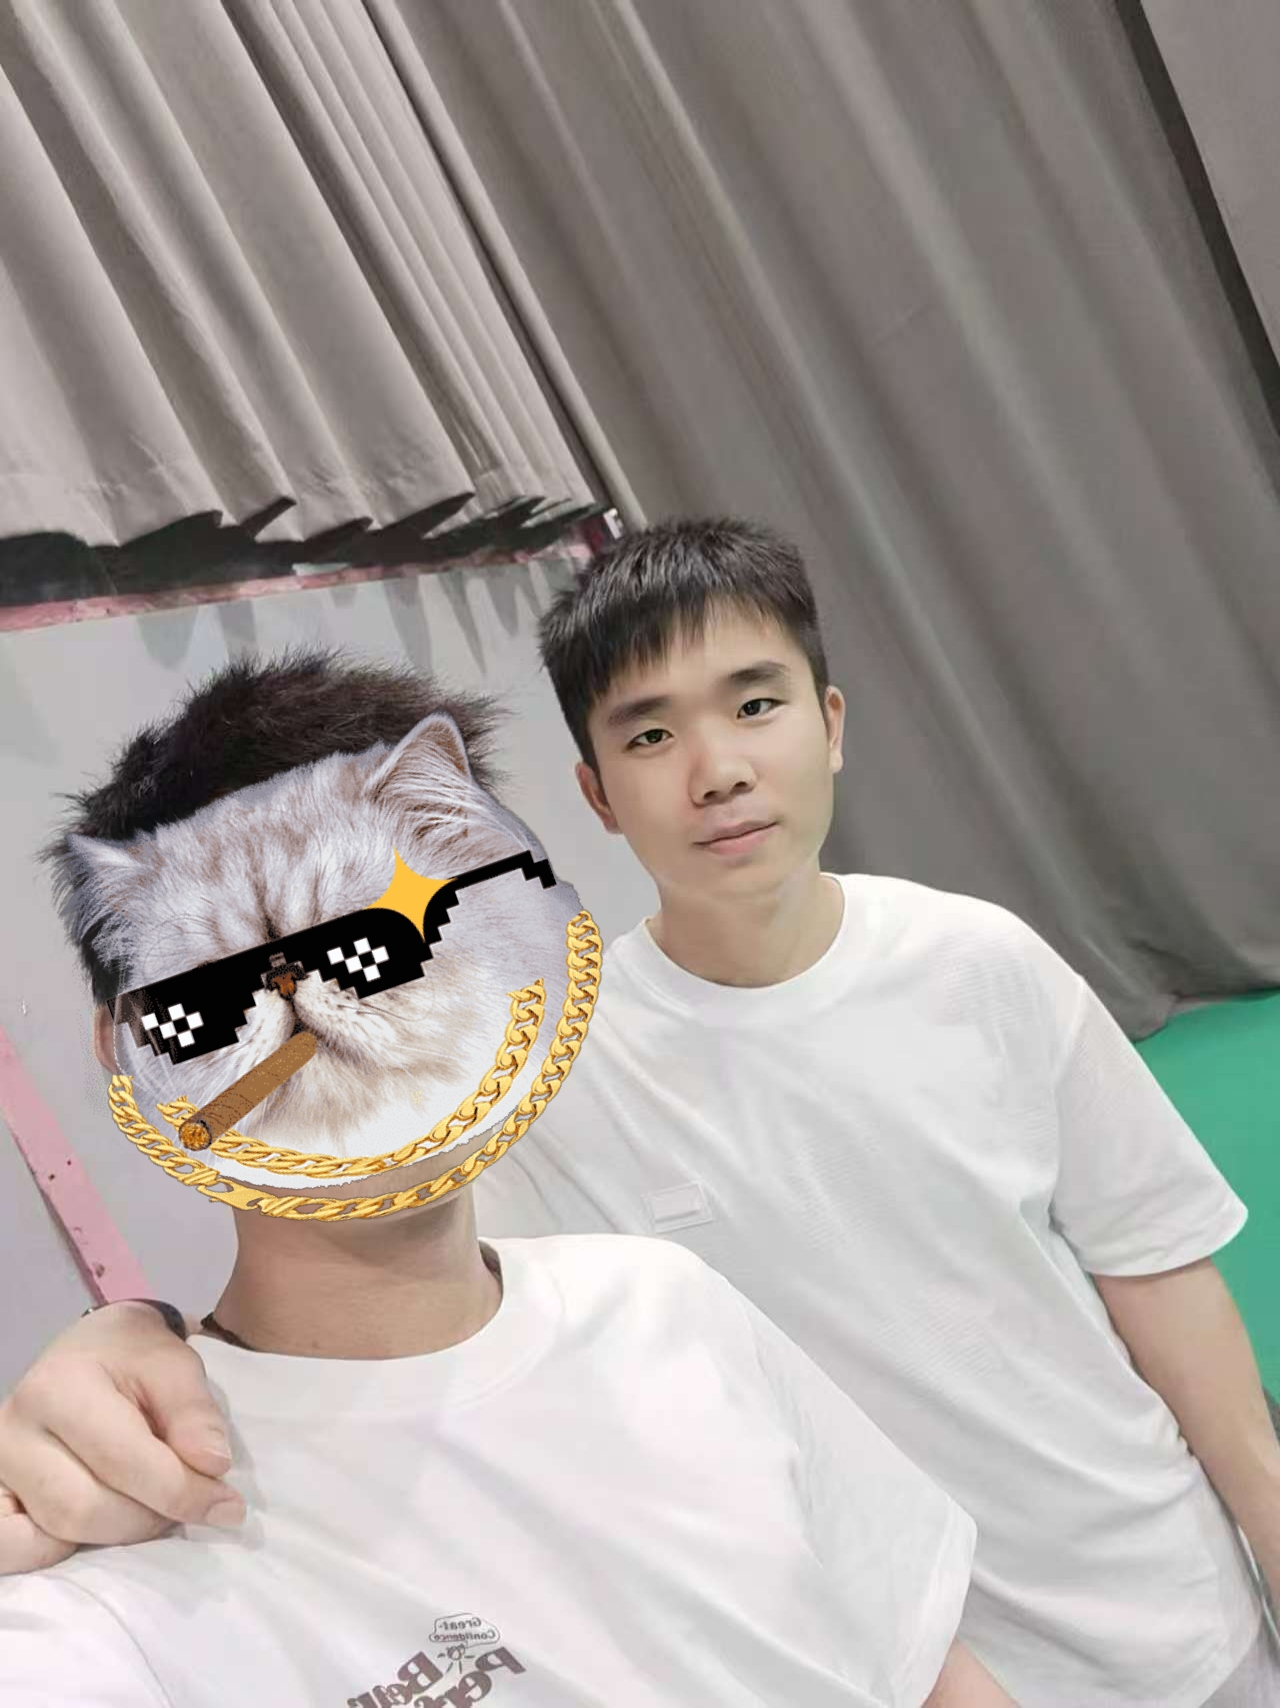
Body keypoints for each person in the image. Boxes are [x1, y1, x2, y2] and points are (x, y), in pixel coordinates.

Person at [3, 519, 1279, 1704]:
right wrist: (125, 1336)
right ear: (596, 791)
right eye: (651, 734)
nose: (718, 772)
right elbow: (362, 1305)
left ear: (829, 721)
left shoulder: (978, 965)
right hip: (905, 1639)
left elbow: (1158, 1276)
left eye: (756, 704)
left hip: (1164, 1613)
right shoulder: (535, 1084)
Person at [0, 655, 1002, 1708]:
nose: (299, 1006)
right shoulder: (119, 1542)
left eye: (374, 945)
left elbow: (927, 1671)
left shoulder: (666, 1302)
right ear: (130, 1055)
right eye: (216, 991)